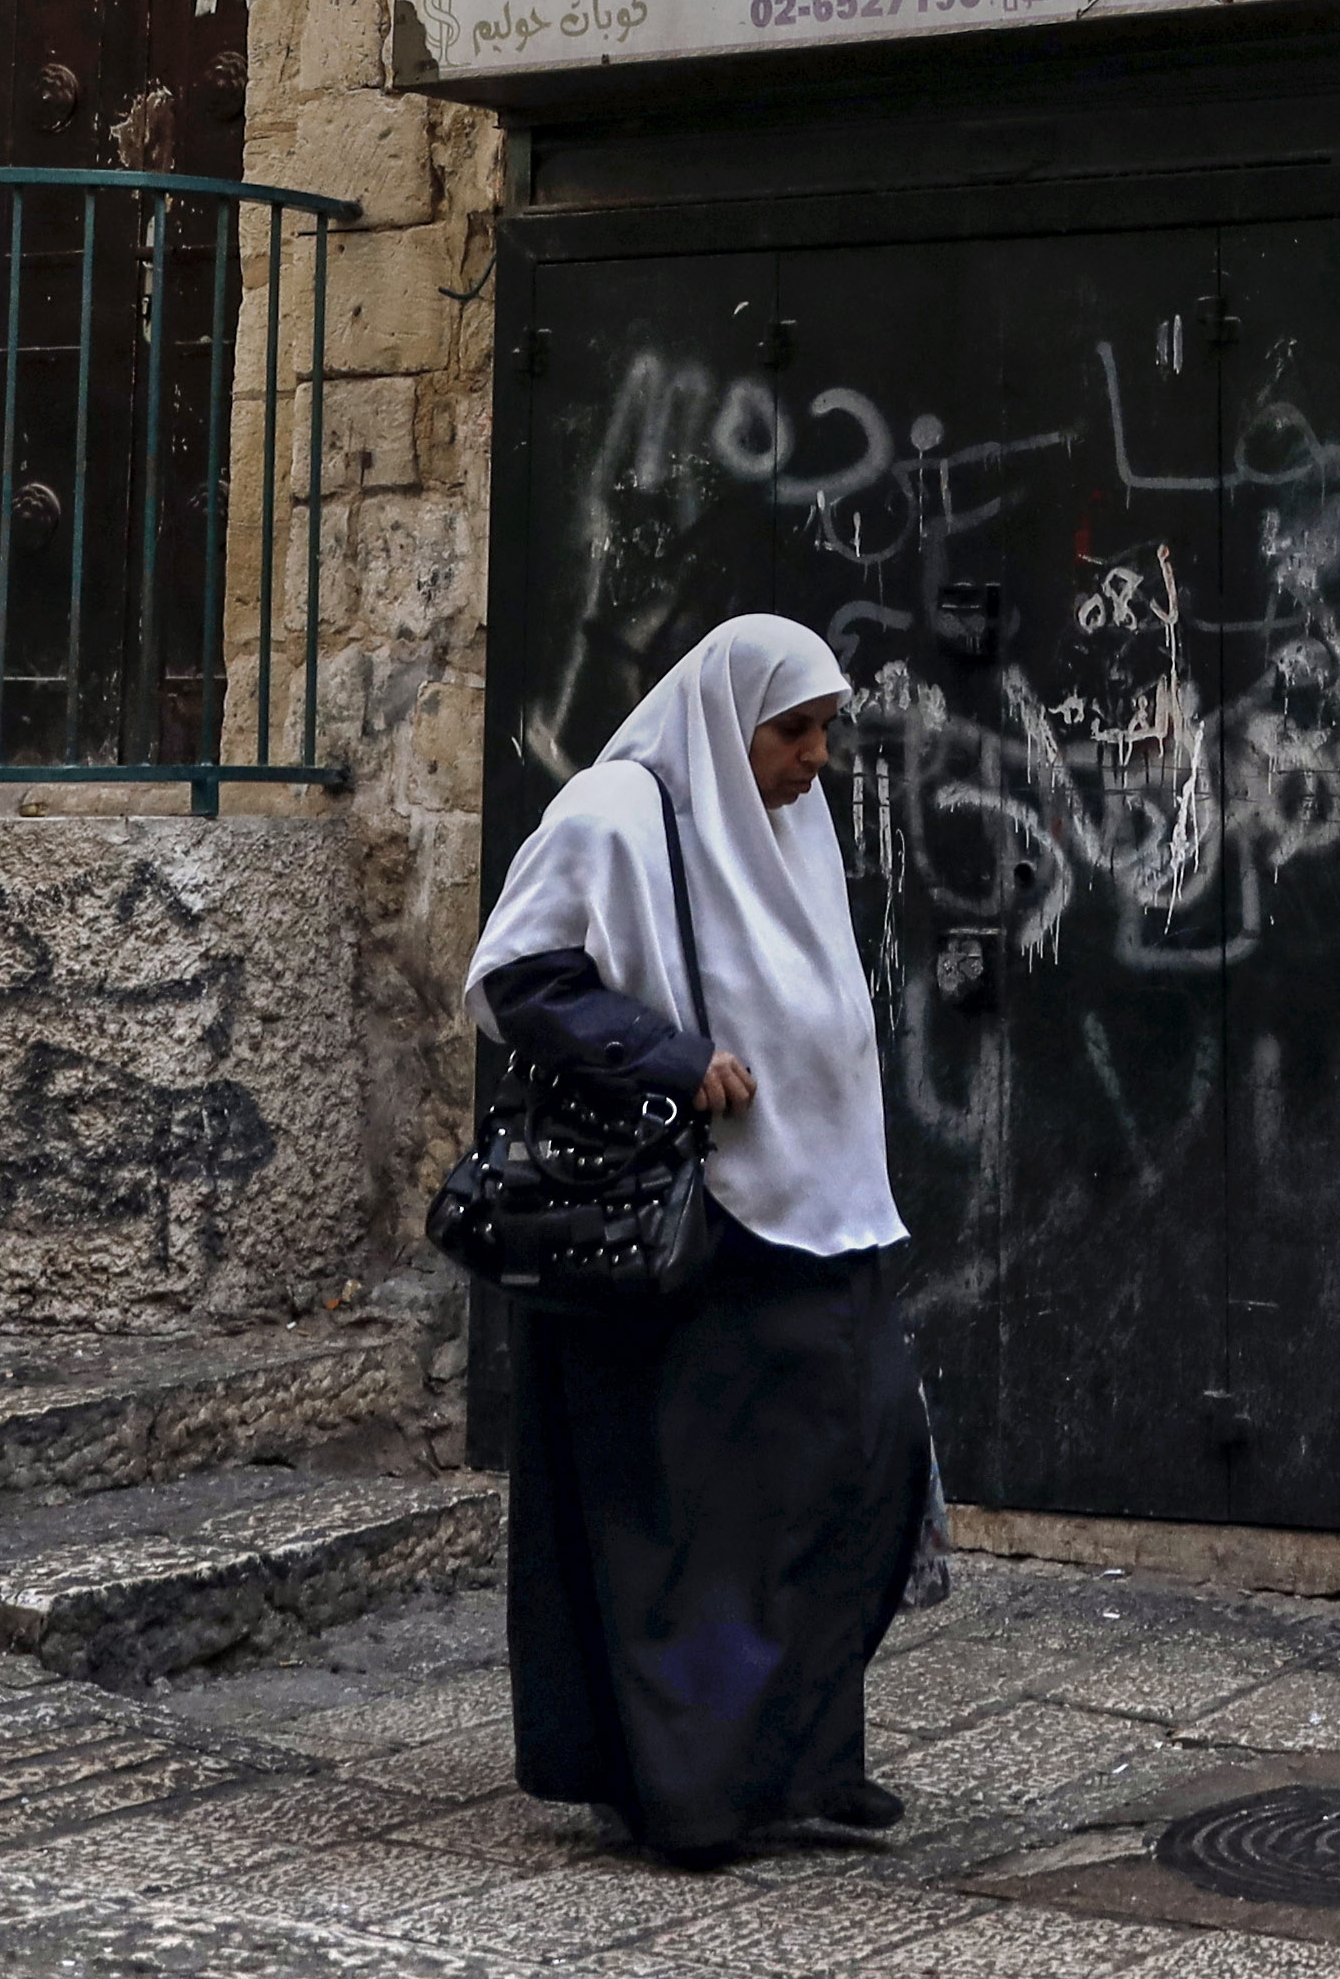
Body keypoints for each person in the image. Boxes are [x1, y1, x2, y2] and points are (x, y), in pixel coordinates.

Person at [462, 611, 933, 1863]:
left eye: (828, 729)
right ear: (730, 722)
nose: (816, 755)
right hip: (699, 1237)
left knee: (856, 1483)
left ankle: (808, 1757)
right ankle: (700, 1789)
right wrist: (671, 1059)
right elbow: (520, 979)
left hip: (825, 1217)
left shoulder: (794, 823)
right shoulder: (618, 813)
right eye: (795, 729)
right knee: (706, 1529)